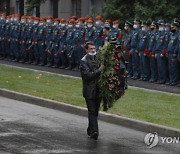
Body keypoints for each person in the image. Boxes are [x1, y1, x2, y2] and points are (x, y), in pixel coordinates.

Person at [79, 41, 104, 140]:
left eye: (94, 48)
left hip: (98, 90)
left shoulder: (98, 58)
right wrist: (100, 70)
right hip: (89, 91)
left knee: (95, 111)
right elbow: (89, 76)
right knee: (92, 111)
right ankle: (95, 132)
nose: (93, 50)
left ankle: (90, 129)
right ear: (86, 50)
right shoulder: (83, 61)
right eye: (91, 49)